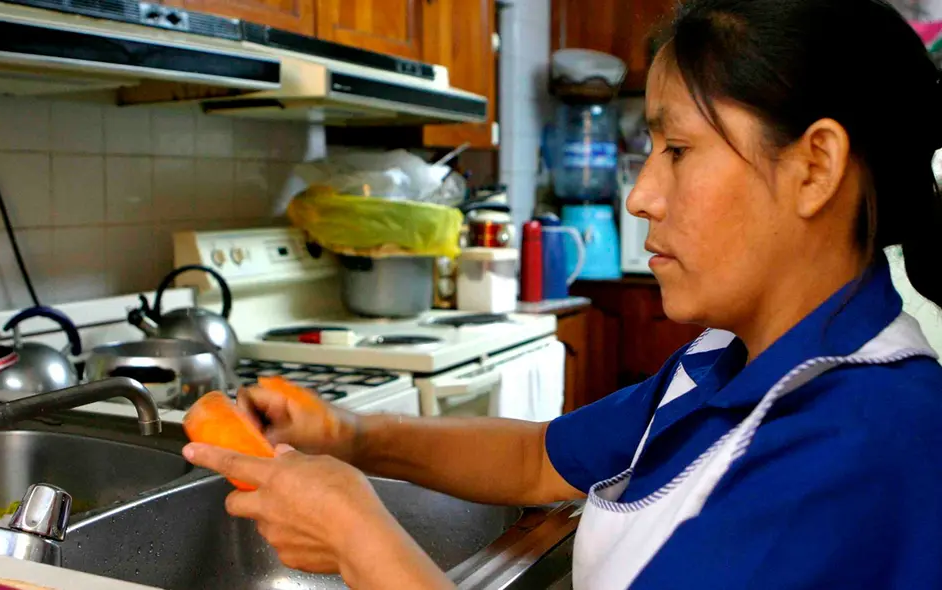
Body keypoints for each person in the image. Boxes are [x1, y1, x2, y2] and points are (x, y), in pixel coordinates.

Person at [182, 0, 942, 587]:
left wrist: (358, 536)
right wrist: (355, 438)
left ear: (815, 168)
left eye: (677, 150)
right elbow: (534, 460)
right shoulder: (729, 361)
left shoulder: (862, 444)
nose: (641, 195)